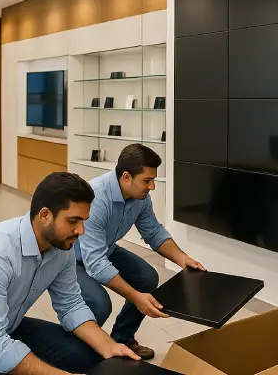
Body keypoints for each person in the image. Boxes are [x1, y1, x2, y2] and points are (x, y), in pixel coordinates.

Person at [0, 172, 139, 375]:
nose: (80, 231)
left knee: (93, 355)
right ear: (45, 215)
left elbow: (71, 305)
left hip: (4, 326)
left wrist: (109, 346)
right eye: (73, 221)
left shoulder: (62, 247)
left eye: (83, 221)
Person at [74, 143, 205, 360]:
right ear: (126, 177)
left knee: (147, 277)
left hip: (103, 249)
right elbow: (95, 263)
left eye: (153, 180)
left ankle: (122, 339)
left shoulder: (140, 198)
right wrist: (137, 298)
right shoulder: (96, 197)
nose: (152, 186)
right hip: (72, 259)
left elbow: (153, 231)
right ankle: (81, 353)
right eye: (147, 180)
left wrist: (183, 259)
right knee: (99, 303)